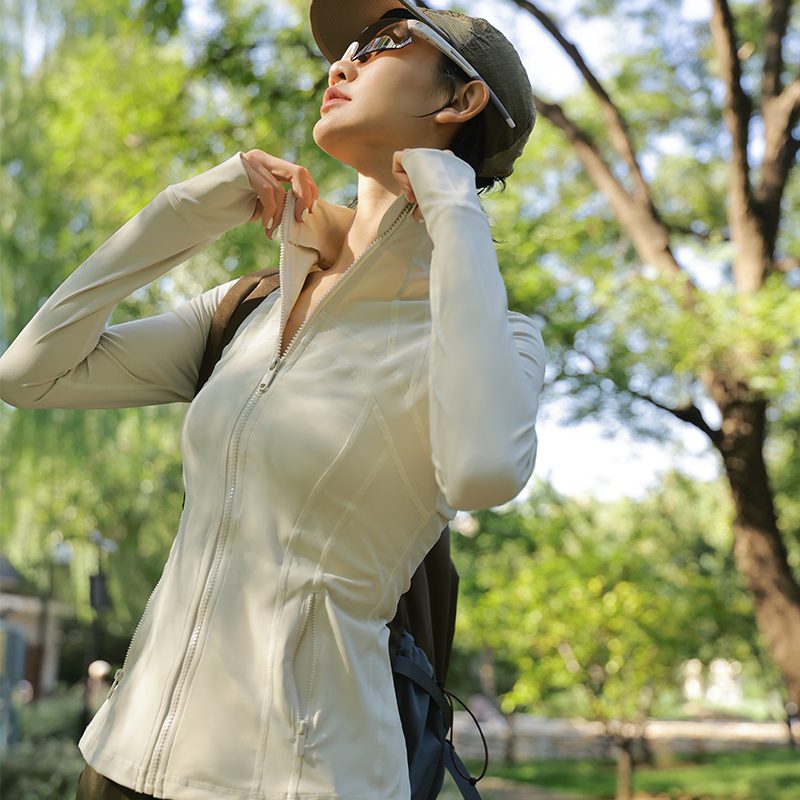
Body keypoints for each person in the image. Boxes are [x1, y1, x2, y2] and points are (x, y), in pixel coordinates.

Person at [0, 1, 545, 798]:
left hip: (298, 778)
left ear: (459, 102)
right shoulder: (249, 306)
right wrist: (182, 212)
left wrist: (452, 203)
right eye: (344, 51)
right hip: (120, 761)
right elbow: (27, 375)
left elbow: (483, 471)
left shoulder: (497, 339)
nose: (342, 64)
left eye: (384, 45)